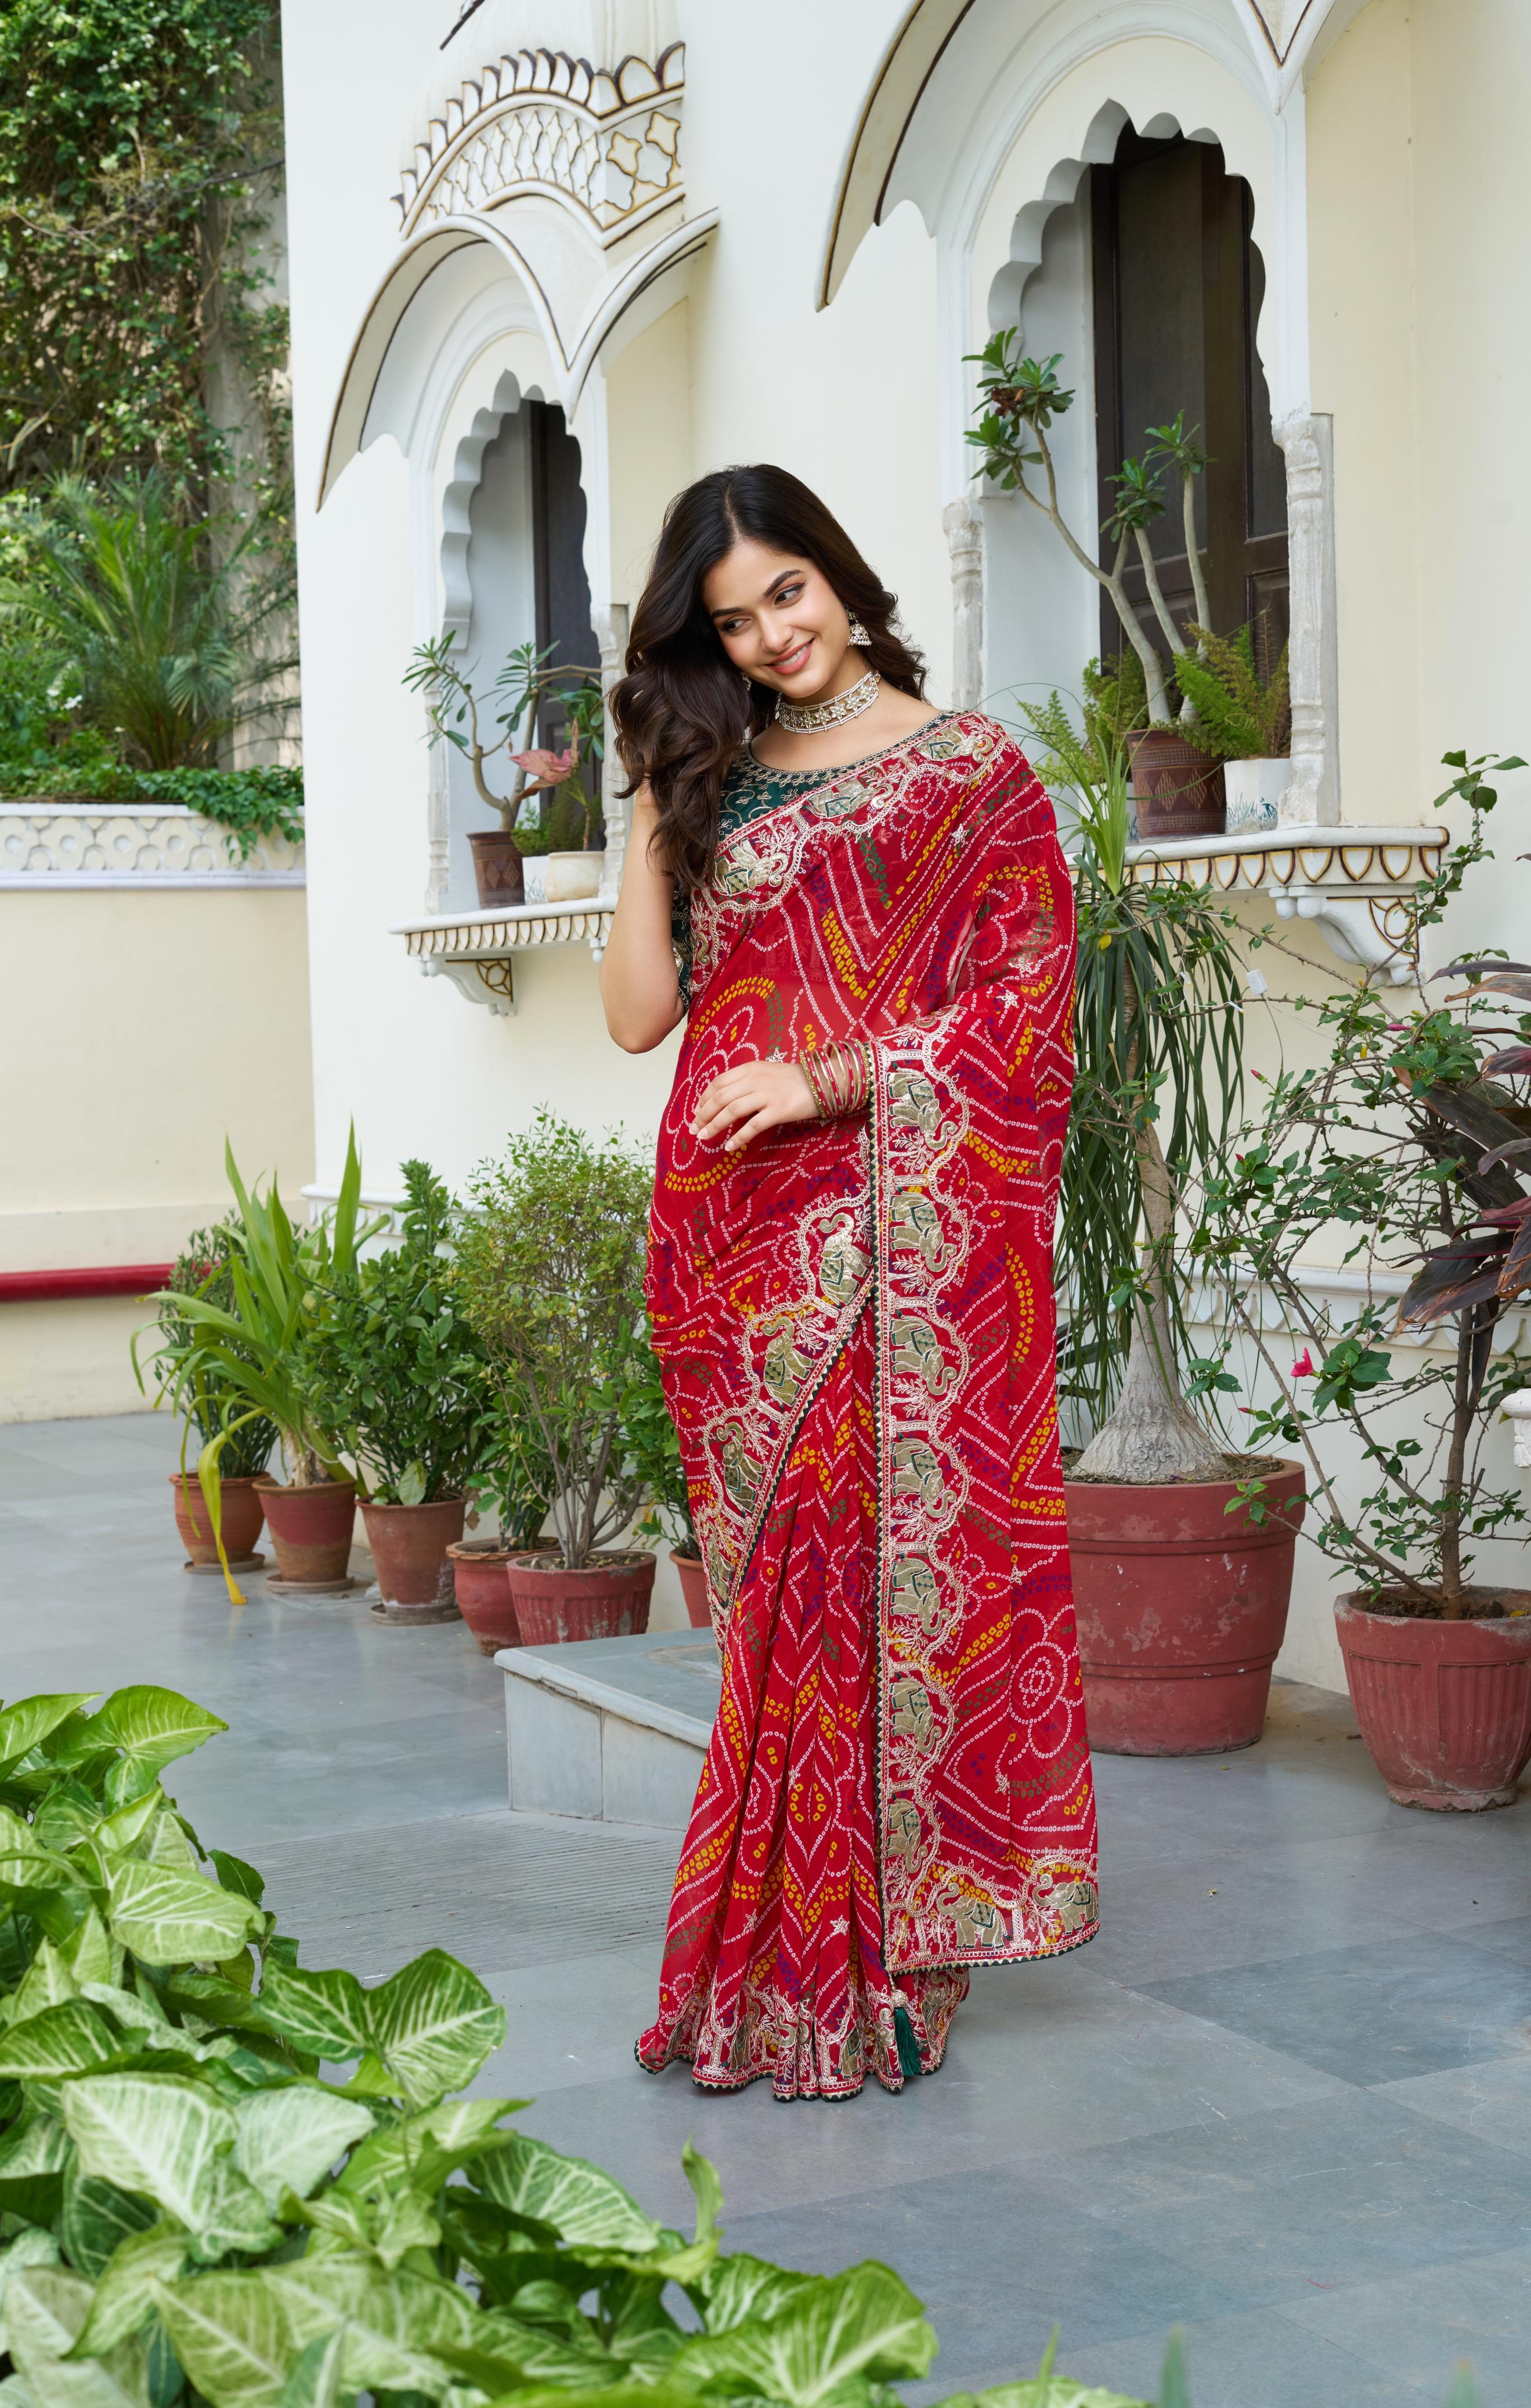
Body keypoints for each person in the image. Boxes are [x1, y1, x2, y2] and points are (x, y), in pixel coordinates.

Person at [600, 464, 1098, 2100]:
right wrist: (644, 802)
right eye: (731, 622)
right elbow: (635, 1019)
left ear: (842, 575)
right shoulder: (713, 781)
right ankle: (768, 1951)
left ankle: (898, 1947)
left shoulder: (972, 777)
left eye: (786, 596)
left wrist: (831, 1080)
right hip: (728, 1243)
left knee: (883, 1576)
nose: (768, 638)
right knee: (777, 1614)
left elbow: (1027, 1014)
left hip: (900, 1225)